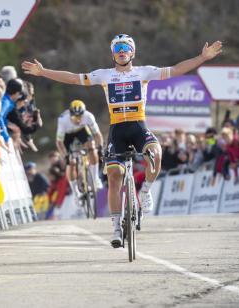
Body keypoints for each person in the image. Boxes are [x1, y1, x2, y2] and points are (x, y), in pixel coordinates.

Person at [22, 34, 222, 247]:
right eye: (117, 47)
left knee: (155, 153)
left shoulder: (144, 72)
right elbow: (73, 78)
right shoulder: (104, 75)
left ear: (132, 52)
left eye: (125, 46)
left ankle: (145, 193)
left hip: (138, 126)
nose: (121, 50)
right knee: (115, 177)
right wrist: (43, 72)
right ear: (112, 53)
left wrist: (202, 58)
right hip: (117, 131)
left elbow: (176, 70)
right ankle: (116, 227)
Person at [55, 100, 103, 204]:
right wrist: (65, 155)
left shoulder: (88, 116)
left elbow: (97, 134)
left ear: (84, 114)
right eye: (74, 117)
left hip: (81, 131)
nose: (77, 120)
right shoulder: (63, 120)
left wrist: (100, 148)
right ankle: (76, 192)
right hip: (67, 136)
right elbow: (59, 142)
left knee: (92, 147)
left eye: (80, 117)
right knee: (71, 163)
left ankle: (95, 179)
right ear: (70, 114)